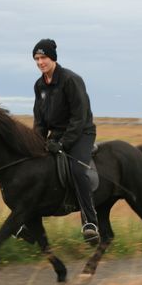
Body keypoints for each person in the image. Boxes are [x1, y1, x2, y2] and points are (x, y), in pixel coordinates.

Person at [32, 39, 99, 245]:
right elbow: (40, 120)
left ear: (53, 58)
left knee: (78, 170)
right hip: (57, 134)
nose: (40, 62)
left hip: (81, 133)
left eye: (44, 57)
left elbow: (79, 118)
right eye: (36, 58)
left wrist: (63, 144)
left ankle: (90, 222)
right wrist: (36, 142)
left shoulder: (71, 80)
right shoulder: (39, 85)